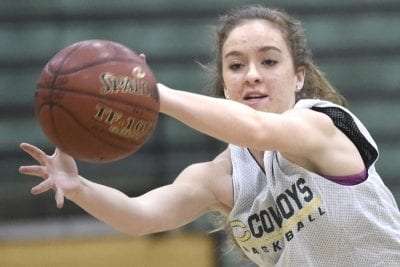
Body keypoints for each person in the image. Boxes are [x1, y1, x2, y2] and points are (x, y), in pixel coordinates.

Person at [19, 5, 400, 266]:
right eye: (236, 65)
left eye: (269, 61)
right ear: (224, 85)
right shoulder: (222, 177)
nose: (251, 74)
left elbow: (259, 130)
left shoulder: (321, 124)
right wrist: (78, 186)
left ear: (299, 76)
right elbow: (140, 217)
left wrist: (154, 94)